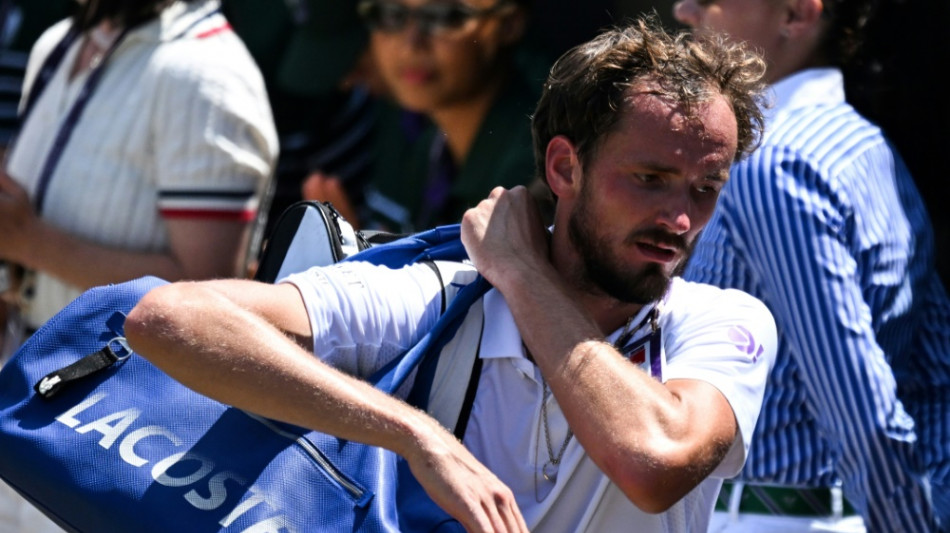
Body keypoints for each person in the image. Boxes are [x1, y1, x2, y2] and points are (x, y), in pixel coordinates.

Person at [124, 18, 775, 532]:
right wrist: (416, 435)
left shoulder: (723, 321)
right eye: (651, 179)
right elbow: (166, 320)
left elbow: (652, 461)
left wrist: (521, 273)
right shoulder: (444, 297)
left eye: (706, 187)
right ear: (564, 168)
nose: (682, 219)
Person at [674, 0, 950, 531]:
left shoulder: (771, 167)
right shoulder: (874, 152)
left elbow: (860, 410)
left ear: (796, 14)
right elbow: (934, 379)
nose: (685, 10)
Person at [0, 0, 278, 347]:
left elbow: (206, 299)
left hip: (121, 393)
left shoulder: (207, 75)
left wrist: (32, 243)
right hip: (29, 373)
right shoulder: (60, 41)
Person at [303, 0, 550, 233]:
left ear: (509, 25)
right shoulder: (425, 140)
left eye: (446, 16)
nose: (410, 43)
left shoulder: (535, 170)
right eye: (389, 14)